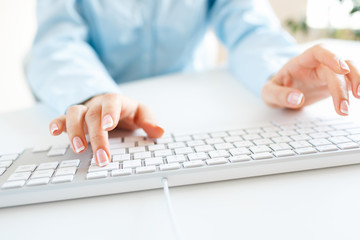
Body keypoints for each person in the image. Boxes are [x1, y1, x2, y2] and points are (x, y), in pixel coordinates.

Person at [27, 0, 360, 167]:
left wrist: (278, 73)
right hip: (102, 110)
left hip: (187, 113)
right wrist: (95, 95)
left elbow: (248, 25)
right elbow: (56, 42)